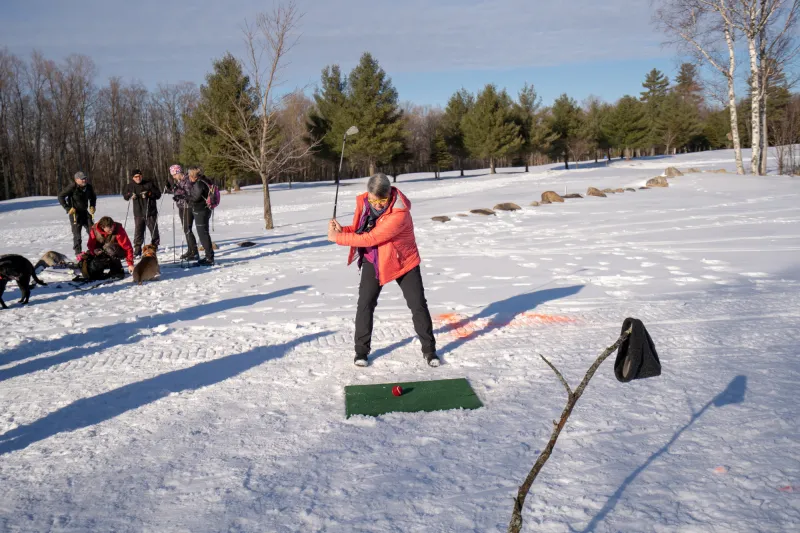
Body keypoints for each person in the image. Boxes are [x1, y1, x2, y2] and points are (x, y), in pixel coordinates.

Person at [327, 173, 439, 368]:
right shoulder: (364, 202)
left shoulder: (399, 214)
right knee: (365, 303)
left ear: (390, 194)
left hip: (403, 261)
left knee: (417, 305)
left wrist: (336, 238)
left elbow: (371, 238)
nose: (377, 205)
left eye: (382, 200)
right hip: (375, 258)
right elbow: (361, 230)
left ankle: (429, 351)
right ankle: (361, 352)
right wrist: (342, 230)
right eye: (373, 200)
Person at [123, 169, 161, 257]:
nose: (138, 178)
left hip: (150, 211)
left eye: (139, 176)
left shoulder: (149, 184)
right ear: (133, 178)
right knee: (138, 232)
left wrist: (149, 194)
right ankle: (137, 250)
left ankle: (154, 247)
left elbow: (158, 194)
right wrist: (130, 195)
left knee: (154, 231)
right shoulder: (130, 186)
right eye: (136, 176)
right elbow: (125, 196)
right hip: (138, 213)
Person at [58, 171, 97, 257]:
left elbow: (93, 197)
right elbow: (60, 196)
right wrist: (68, 208)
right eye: (82, 179)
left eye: (85, 178)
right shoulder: (72, 187)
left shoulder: (89, 187)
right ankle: (78, 254)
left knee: (93, 232)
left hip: (85, 212)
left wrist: (92, 206)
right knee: (77, 235)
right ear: (76, 180)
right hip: (75, 214)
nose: (84, 180)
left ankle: (95, 250)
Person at [169, 164, 199, 261]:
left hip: (188, 206)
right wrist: (172, 189)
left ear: (178, 172)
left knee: (187, 228)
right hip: (181, 206)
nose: (173, 177)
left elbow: (188, 192)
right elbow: (179, 192)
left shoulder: (187, 179)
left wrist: (178, 193)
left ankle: (195, 252)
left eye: (174, 174)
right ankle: (190, 250)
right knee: (185, 229)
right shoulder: (179, 181)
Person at [187, 166, 214, 266]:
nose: (189, 178)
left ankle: (209, 258)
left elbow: (195, 197)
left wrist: (185, 197)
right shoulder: (204, 181)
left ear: (193, 176)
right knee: (204, 233)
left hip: (201, 210)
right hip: (204, 209)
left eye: (190, 175)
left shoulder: (199, 183)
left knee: (203, 234)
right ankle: (208, 256)